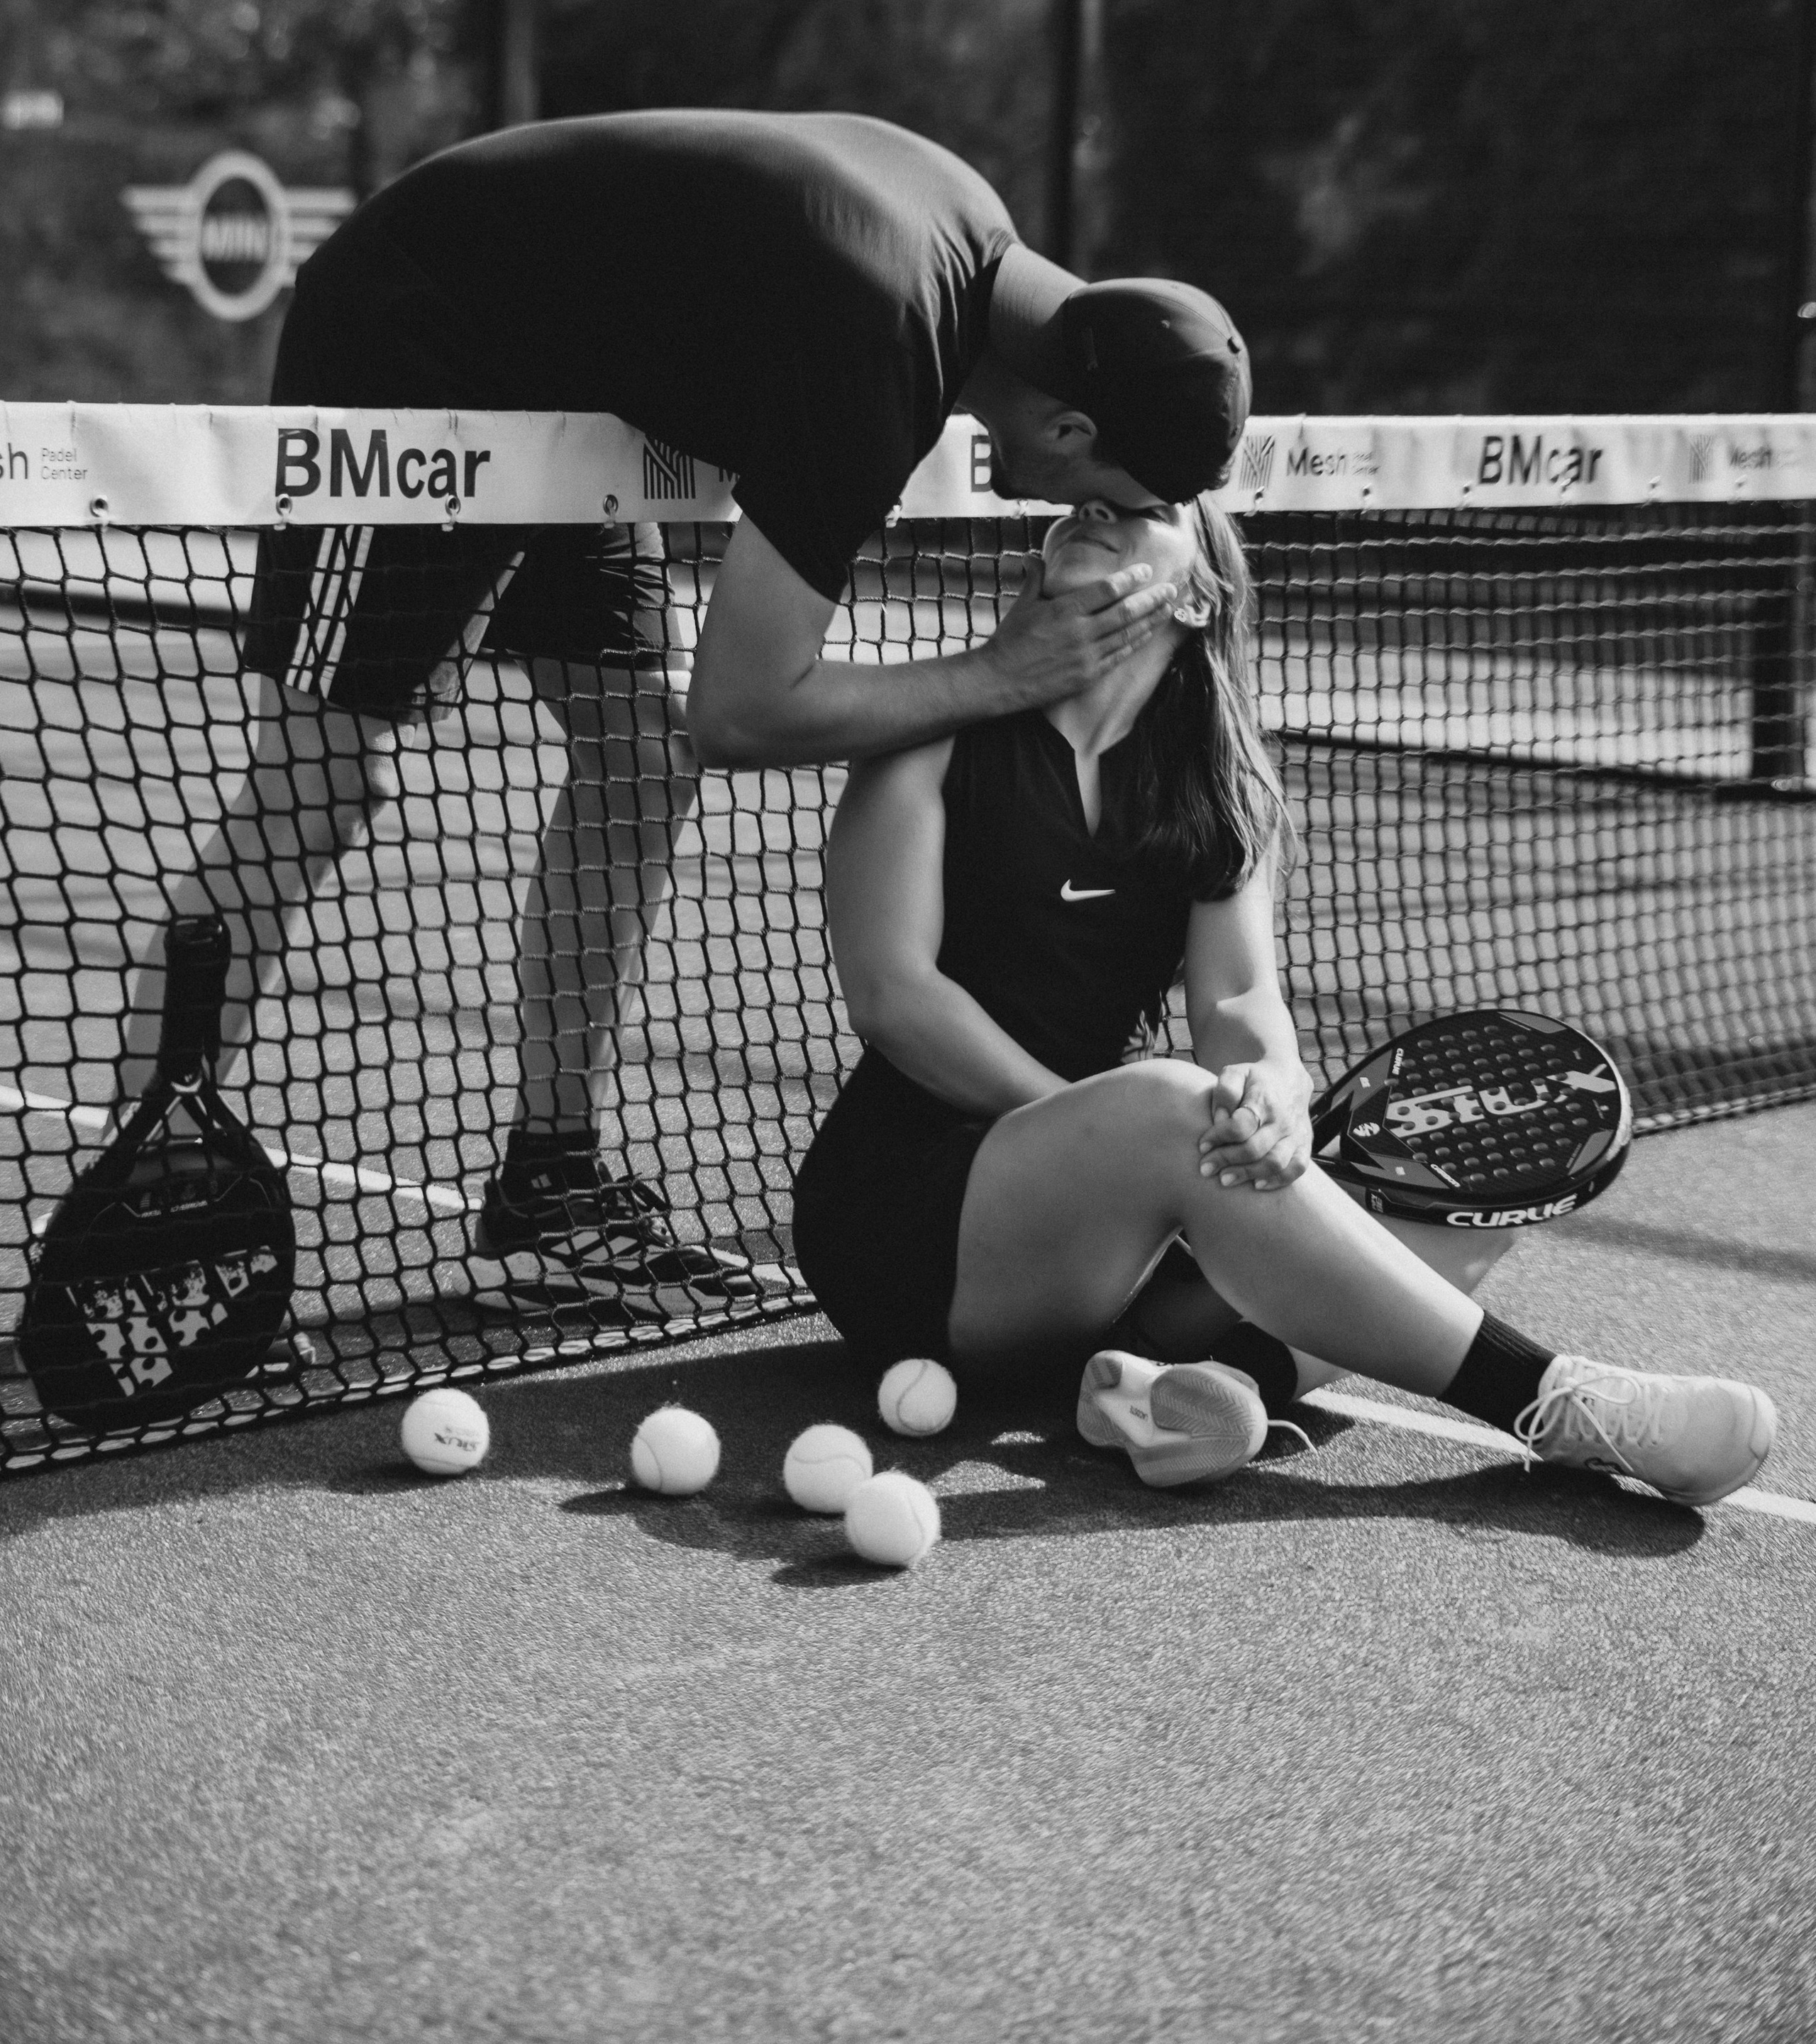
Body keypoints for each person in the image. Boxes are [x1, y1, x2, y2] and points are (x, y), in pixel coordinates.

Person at [116, 109, 1253, 1316]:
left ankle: (551, 1182)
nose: (1087, 518)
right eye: (1116, 499)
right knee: (317, 786)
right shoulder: (884, 346)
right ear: (1070, 429)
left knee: (641, 756)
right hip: (418, 336)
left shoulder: (973, 253)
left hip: (567, 377)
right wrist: (1007, 671)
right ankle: (148, 1196)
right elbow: (745, 709)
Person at [794, 487, 1778, 1507]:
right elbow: (894, 995)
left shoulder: (1219, 786)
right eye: (1082, 501)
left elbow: (1239, 1000)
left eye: (1140, 506)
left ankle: (1199, 1392)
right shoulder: (933, 735)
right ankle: (1553, 1400)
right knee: (1173, 1105)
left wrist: (1271, 1096)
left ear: (1197, 594)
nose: (1093, 509)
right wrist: (1134, 1145)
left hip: (1110, 1260)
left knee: (1469, 1187)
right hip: (908, 1229)